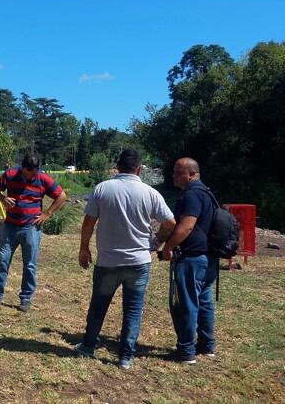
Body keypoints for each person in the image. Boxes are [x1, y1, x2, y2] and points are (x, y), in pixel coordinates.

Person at [74, 149, 176, 369]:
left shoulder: (102, 188)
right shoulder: (150, 193)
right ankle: (125, 357)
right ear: (139, 169)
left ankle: (88, 345)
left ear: (117, 166)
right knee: (133, 309)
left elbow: (88, 223)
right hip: (139, 262)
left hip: (108, 262)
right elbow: (170, 223)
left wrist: (84, 248)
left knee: (98, 306)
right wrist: (157, 241)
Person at [0, 153, 67, 312]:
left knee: (30, 265)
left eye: (32, 174)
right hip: (10, 226)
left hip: (31, 228)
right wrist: (2, 198)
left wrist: (47, 214)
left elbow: (61, 196)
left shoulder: (43, 179)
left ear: (37, 170)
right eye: (27, 174)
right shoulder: (10, 174)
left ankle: (26, 298)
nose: (29, 177)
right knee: (2, 259)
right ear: (22, 168)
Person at [162, 157, 219, 364]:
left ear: (192, 174)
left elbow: (186, 226)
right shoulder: (207, 193)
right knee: (204, 301)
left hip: (192, 257)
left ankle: (187, 351)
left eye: (179, 173)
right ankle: (207, 345)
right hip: (209, 257)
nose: (174, 176)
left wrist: (168, 247)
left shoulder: (192, 195)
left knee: (187, 303)